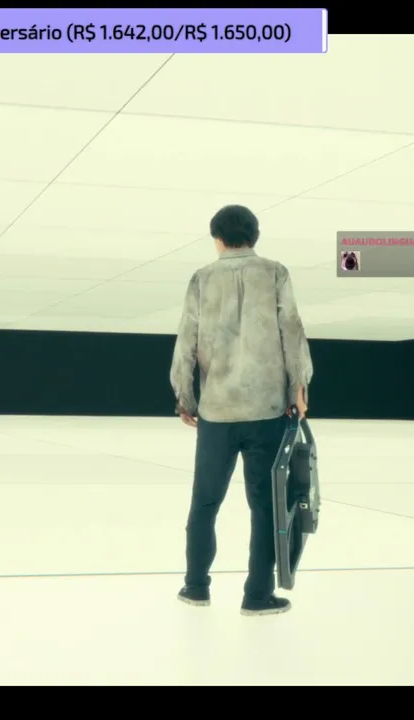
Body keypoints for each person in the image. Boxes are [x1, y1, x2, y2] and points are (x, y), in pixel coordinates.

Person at [170, 204, 313, 617]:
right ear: (255, 235)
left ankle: (196, 587)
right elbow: (292, 331)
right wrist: (299, 387)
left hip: (217, 413)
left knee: (204, 502)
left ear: (217, 238)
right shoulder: (275, 273)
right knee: (265, 506)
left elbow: (186, 340)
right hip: (266, 410)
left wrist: (185, 397)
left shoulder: (201, 278)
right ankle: (257, 595)